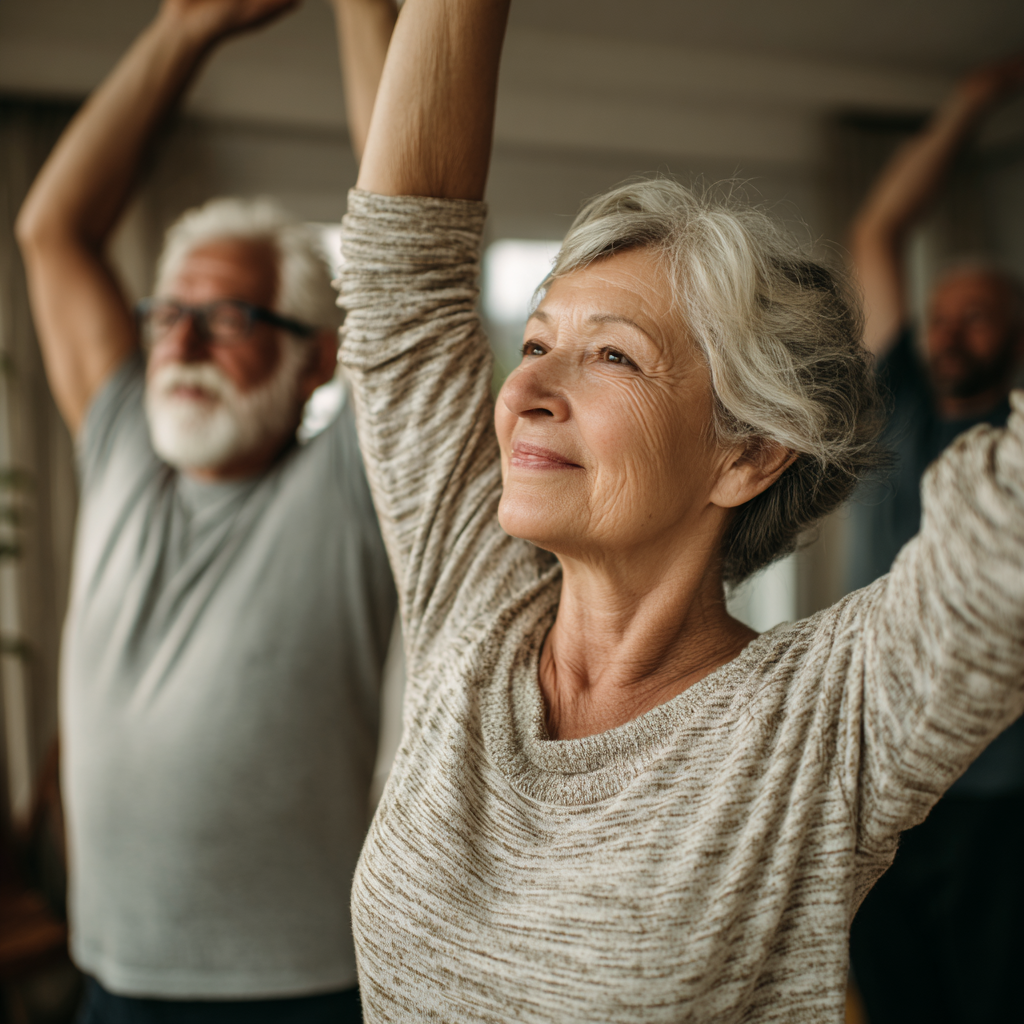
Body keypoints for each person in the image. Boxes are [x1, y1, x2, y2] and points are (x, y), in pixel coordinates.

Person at [333, 1, 1024, 1020]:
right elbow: (403, 284)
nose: (525, 391)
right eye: (533, 344)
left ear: (744, 454)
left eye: (611, 354)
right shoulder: (470, 611)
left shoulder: (820, 725)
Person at [14, 0, 399, 1020]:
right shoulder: (124, 447)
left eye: (226, 319)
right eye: (169, 314)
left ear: (315, 356)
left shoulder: (351, 482)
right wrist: (185, 27)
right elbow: (49, 232)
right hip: (112, 981)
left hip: (303, 990)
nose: (180, 347)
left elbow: (410, 237)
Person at [845, 56, 1024, 1024]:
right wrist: (970, 106)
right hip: (882, 770)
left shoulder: (1014, 447)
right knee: (893, 997)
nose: (950, 329)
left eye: (978, 315)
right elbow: (877, 231)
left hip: (1002, 789)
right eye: (942, 313)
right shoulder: (897, 407)